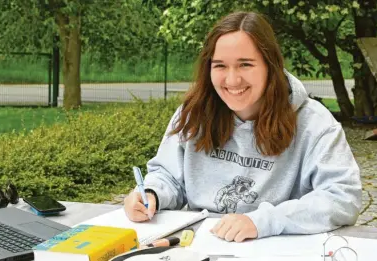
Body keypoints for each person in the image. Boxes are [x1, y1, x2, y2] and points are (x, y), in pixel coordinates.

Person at [123, 11, 362, 243]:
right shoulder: (192, 113)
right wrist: (151, 194)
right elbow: (168, 176)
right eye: (220, 66)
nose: (232, 80)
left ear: (271, 66)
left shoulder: (314, 122)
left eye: (245, 64)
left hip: (277, 247)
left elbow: (343, 197)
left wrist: (261, 222)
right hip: (201, 243)